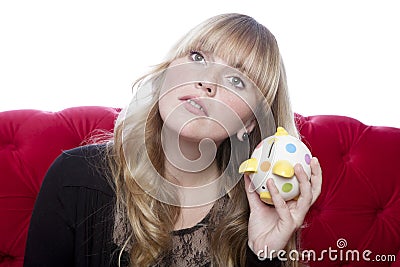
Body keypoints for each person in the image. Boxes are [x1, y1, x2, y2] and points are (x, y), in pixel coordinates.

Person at [23, 13, 322, 267]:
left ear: (250, 123)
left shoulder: (257, 212)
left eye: (236, 80)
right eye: (198, 57)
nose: (207, 82)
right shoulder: (74, 177)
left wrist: (263, 254)